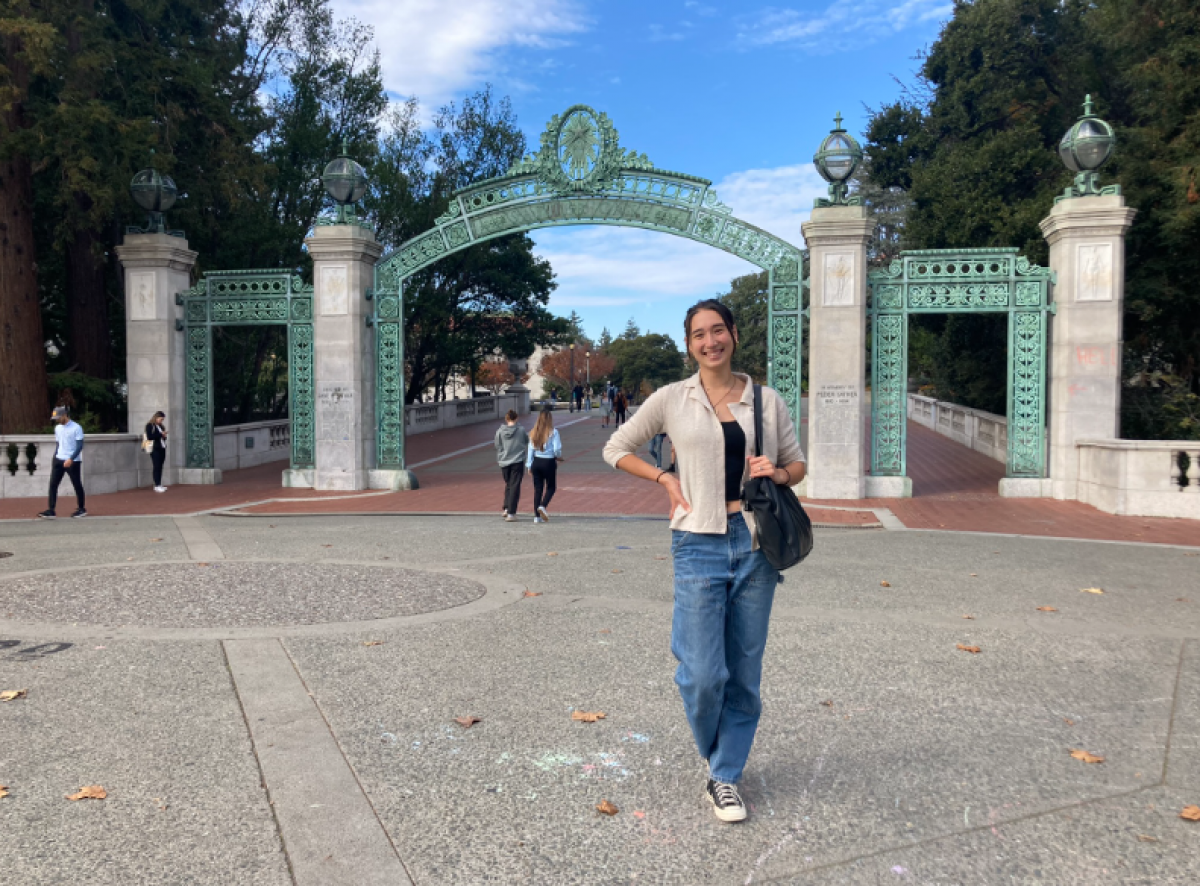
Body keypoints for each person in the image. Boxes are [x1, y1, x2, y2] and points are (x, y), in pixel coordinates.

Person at [602, 299, 806, 824]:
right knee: (700, 673)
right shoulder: (672, 399)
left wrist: (778, 474)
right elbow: (616, 447)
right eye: (699, 334)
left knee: (743, 670)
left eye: (718, 331)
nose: (710, 341)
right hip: (697, 540)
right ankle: (716, 750)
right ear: (689, 343)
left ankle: (725, 775)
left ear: (734, 335)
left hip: (756, 540)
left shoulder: (766, 400)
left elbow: (796, 463)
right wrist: (665, 478)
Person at [39, 406, 87, 519]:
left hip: (73, 461)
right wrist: (55, 457)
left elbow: (80, 446)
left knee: (77, 484)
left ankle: (81, 508)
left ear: (65, 415)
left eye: (58, 417)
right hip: (58, 459)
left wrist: (71, 459)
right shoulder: (57, 428)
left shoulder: (76, 428)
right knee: (53, 485)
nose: (57, 420)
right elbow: (59, 443)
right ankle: (51, 510)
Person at [525, 405, 562, 524]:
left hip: (536, 461)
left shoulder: (533, 432)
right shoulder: (553, 432)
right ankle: (543, 505)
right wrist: (558, 456)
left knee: (538, 489)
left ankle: (536, 517)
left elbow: (530, 449)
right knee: (551, 487)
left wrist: (529, 465)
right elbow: (557, 449)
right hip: (548, 461)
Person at [494, 410, 530, 522]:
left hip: (504, 461)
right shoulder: (521, 430)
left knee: (509, 484)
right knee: (515, 486)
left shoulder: (500, 431)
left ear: (506, 419)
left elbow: (497, 445)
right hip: (517, 460)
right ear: (517, 418)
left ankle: (506, 507)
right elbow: (527, 441)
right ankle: (511, 512)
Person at [144, 411, 169, 492]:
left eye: (162, 420)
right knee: (156, 466)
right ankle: (157, 484)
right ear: (156, 418)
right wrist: (160, 434)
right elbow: (150, 437)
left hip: (162, 447)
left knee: (160, 466)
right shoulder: (150, 426)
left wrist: (164, 436)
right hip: (155, 448)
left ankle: (159, 483)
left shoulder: (161, 426)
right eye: (161, 419)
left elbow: (163, 438)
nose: (161, 421)